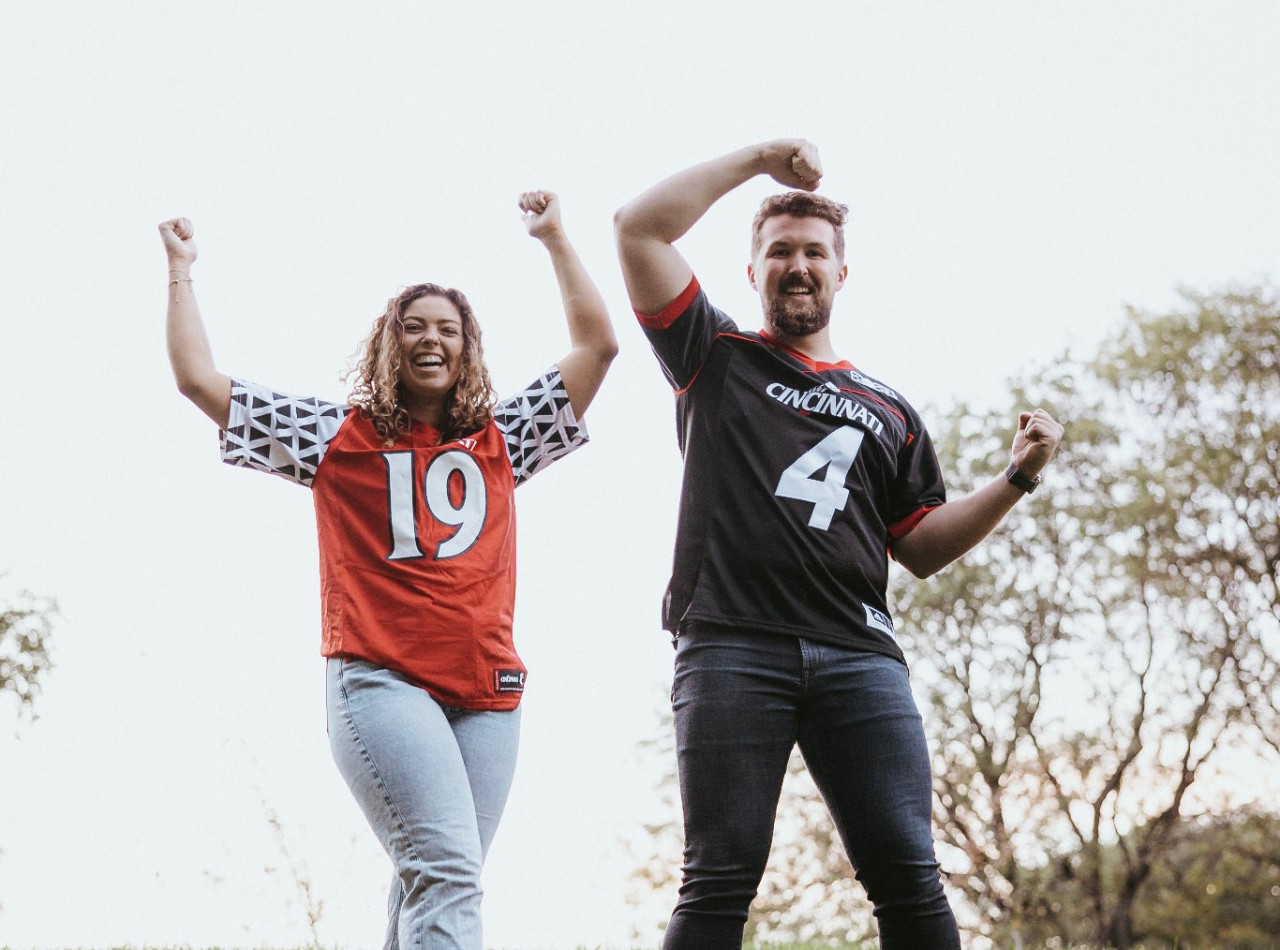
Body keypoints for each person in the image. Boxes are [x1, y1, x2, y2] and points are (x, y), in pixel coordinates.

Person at [614, 140, 1064, 949]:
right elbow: (638, 227)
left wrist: (1015, 480)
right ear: (751, 272)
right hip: (730, 645)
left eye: (814, 252)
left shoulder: (889, 409)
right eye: (778, 251)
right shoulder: (714, 357)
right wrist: (758, 162)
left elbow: (920, 545)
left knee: (907, 871)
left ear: (841, 274)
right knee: (720, 872)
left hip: (859, 656)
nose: (797, 265)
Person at [160, 191, 616, 950]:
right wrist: (180, 268)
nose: (430, 340)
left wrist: (556, 238)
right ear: (387, 346)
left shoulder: (504, 440)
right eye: (413, 327)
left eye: (447, 330)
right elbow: (197, 379)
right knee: (447, 873)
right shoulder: (334, 439)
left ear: (467, 350)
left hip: (487, 695)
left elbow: (598, 347)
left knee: (430, 878)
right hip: (383, 681)